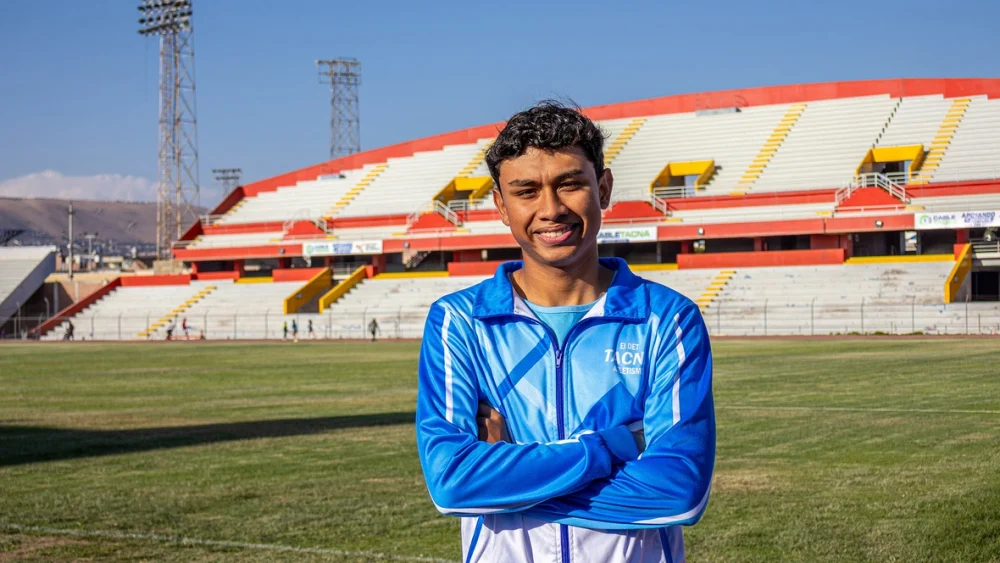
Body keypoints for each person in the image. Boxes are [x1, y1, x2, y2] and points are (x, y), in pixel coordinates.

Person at [415, 102, 715, 563]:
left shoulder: (667, 320)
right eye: (526, 190)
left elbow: (677, 493)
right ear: (500, 204)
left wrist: (513, 469)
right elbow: (454, 484)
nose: (551, 209)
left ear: (605, 188)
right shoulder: (461, 322)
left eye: (570, 184)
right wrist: (612, 447)